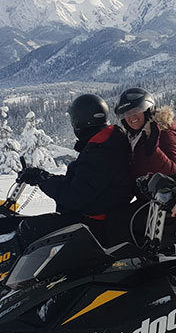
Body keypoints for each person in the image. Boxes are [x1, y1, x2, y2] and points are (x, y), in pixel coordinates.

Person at [15, 94, 135, 247]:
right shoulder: (107, 142)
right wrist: (43, 176)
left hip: (94, 224)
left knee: (28, 229)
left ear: (81, 121)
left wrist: (42, 180)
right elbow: (80, 182)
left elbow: (74, 196)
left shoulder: (100, 152)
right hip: (100, 215)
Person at [114, 87, 176, 191]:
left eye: (136, 110)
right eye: (126, 114)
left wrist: (154, 152)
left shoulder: (165, 131)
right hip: (152, 197)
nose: (131, 117)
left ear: (147, 110)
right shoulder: (133, 138)